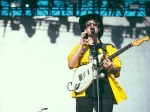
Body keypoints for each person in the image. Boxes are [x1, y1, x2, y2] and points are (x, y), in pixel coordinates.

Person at [67, 14, 127, 112]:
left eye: (95, 24)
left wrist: (112, 68)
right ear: (85, 29)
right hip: (84, 90)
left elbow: (116, 71)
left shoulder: (109, 48)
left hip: (105, 89)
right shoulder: (80, 48)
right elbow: (71, 65)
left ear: (99, 28)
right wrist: (81, 45)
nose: (92, 25)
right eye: (88, 24)